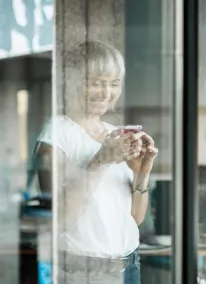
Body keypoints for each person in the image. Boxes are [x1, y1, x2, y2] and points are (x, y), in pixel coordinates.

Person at [34, 40, 158, 284]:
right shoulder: (56, 135)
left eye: (113, 84)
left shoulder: (116, 134)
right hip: (85, 270)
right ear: (71, 83)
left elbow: (134, 218)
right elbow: (60, 217)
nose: (106, 93)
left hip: (129, 266)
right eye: (96, 83)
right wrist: (100, 161)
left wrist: (142, 173)